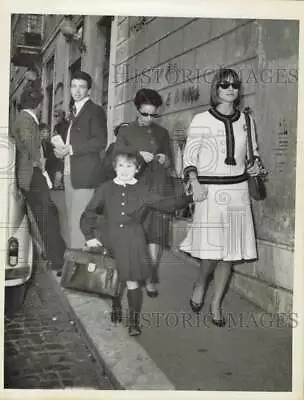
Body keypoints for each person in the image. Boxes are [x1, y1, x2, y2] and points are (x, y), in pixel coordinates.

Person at [80, 147, 192, 336]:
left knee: (132, 282)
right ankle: (116, 306)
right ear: (115, 167)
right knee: (114, 279)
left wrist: (189, 197)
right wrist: (89, 237)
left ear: (137, 169)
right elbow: (88, 213)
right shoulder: (105, 189)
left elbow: (166, 203)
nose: (124, 170)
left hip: (133, 240)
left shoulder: (142, 189)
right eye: (121, 165)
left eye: (129, 166)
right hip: (110, 238)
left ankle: (133, 321)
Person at [180, 68, 261, 327]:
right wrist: (195, 182)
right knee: (212, 252)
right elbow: (189, 156)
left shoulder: (247, 121)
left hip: (237, 193)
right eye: (224, 84)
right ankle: (200, 283)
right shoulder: (201, 120)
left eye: (234, 85)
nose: (230, 89)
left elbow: (253, 154)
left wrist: (255, 166)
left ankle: (216, 304)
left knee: (230, 254)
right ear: (216, 89)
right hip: (210, 192)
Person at [114, 88, 174, 297]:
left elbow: (169, 159)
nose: (149, 118)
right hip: (133, 189)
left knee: (155, 236)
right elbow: (118, 159)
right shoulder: (125, 132)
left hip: (158, 187)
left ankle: (150, 278)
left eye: (153, 114)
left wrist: (165, 159)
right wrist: (138, 156)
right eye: (145, 113)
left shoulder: (162, 133)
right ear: (137, 109)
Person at [11, 84, 66, 271]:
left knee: (48, 214)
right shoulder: (27, 119)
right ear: (38, 104)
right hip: (32, 176)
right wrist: (38, 160)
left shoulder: (24, 118)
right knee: (47, 217)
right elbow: (27, 141)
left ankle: (54, 253)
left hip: (31, 175)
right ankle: (56, 259)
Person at [54, 71, 107, 248]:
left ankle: (79, 267)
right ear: (70, 88)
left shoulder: (95, 111)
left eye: (82, 87)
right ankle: (75, 263)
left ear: (89, 90)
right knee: (71, 221)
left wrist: (71, 149)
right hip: (70, 172)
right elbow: (71, 141)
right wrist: (61, 151)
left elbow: (100, 142)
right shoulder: (73, 112)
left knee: (79, 223)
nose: (77, 90)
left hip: (85, 175)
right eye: (74, 86)